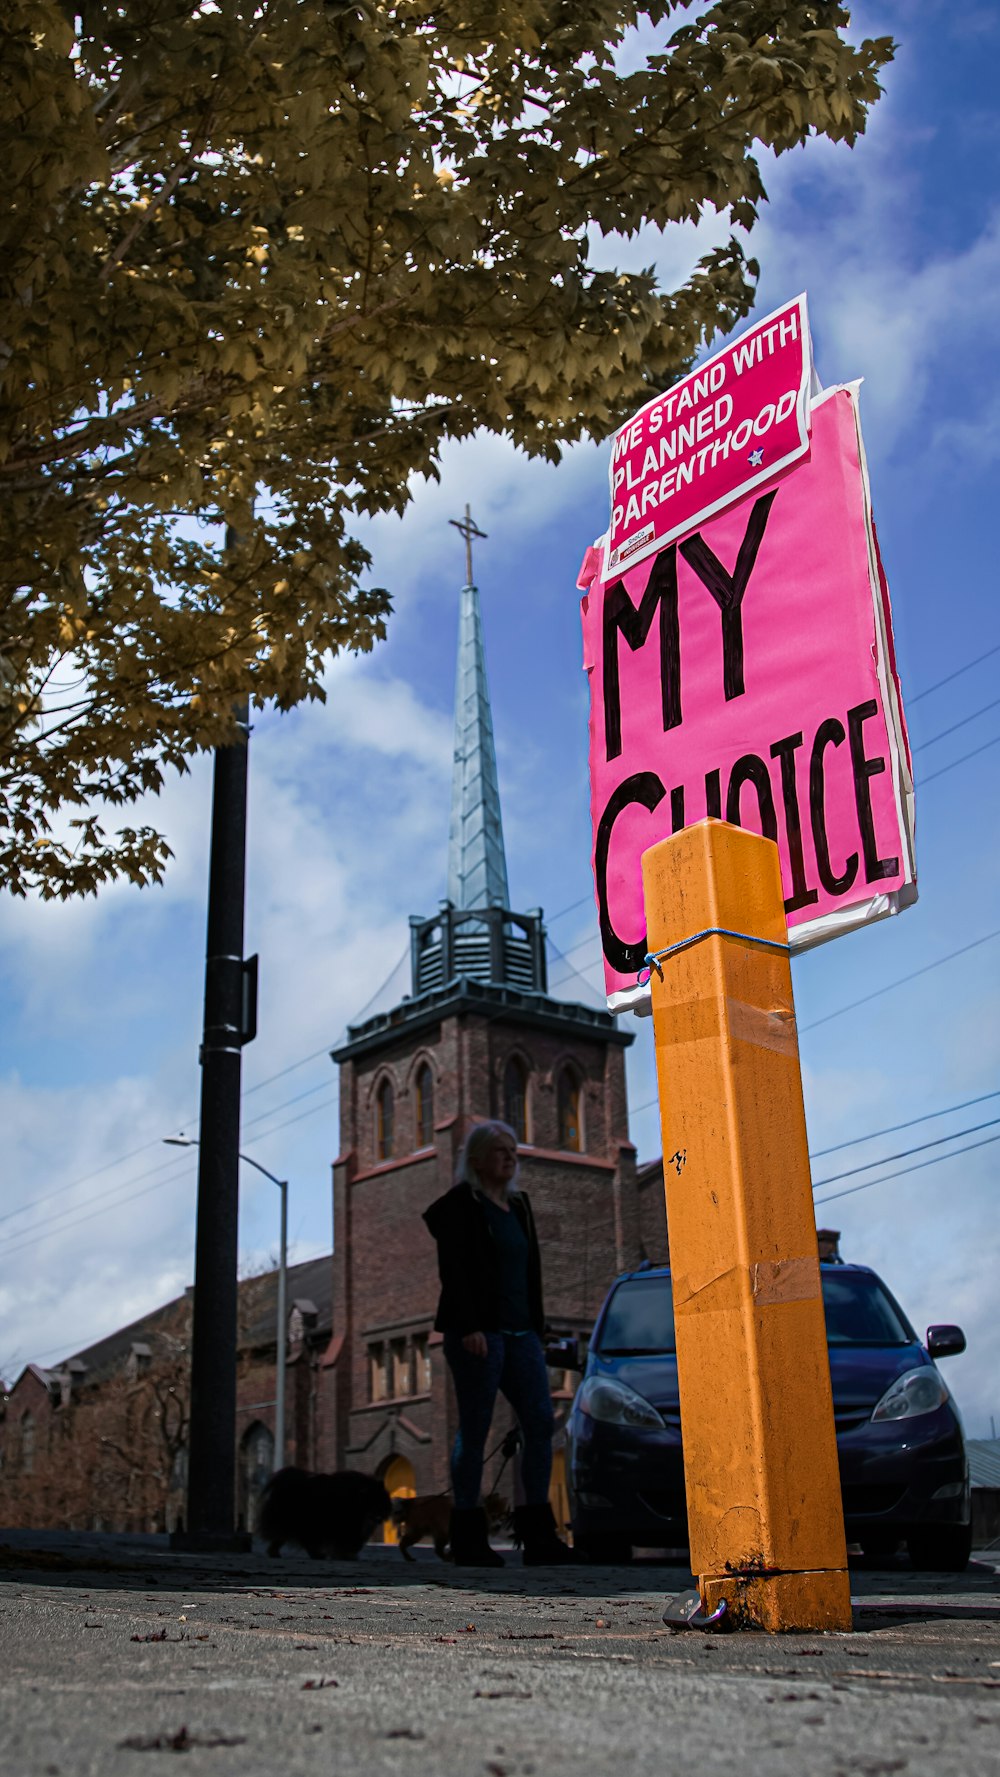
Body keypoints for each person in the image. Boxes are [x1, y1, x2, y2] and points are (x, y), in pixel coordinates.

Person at [423, 1120, 571, 1566]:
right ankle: (467, 1535)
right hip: (478, 1334)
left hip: (522, 1333)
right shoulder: (459, 1206)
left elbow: (530, 1274)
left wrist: (538, 1326)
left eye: (513, 1150)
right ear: (477, 1159)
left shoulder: (519, 1207)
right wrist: (467, 1326)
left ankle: (538, 1537)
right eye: (500, 1150)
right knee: (476, 1425)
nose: (510, 1156)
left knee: (540, 1422)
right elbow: (455, 1270)